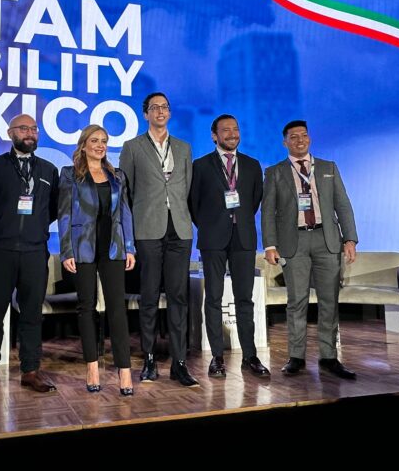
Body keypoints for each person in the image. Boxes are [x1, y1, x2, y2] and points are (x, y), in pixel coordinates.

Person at [0, 114, 60, 401]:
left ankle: (31, 370)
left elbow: (53, 208)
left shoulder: (48, 169)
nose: (30, 133)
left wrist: (34, 230)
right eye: (24, 128)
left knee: (32, 314)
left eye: (34, 129)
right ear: (10, 133)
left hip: (35, 251)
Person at [261, 120, 358, 379]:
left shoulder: (328, 168)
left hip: (327, 240)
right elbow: (268, 212)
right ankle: (296, 356)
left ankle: (329, 357)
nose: (300, 140)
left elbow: (343, 205)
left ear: (310, 138)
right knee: (297, 302)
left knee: (329, 301)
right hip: (294, 243)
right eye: (294, 137)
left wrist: (350, 239)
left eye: (304, 135)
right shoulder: (275, 172)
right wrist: (270, 245)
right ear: (285, 142)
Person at [119, 92, 198, 387]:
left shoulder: (184, 148)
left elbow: (185, 189)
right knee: (149, 296)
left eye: (165, 107)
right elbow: (125, 194)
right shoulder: (132, 147)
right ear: (145, 114)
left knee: (179, 297)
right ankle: (149, 359)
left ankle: (179, 363)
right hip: (147, 230)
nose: (161, 111)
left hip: (180, 230)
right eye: (155, 108)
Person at [188, 114, 270, 379]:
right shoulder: (200, 166)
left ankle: (250, 356)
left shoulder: (252, 165)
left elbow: (255, 201)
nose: (232, 133)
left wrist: (237, 221)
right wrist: (212, 224)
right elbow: (193, 204)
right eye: (225, 130)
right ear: (214, 135)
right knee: (212, 298)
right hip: (212, 239)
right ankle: (217, 358)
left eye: (235, 129)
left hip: (244, 238)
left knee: (245, 299)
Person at [58, 125, 137, 396]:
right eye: (94, 140)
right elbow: (65, 215)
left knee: (117, 308)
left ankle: (124, 371)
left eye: (104, 141)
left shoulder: (117, 176)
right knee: (87, 308)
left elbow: (125, 212)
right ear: (84, 144)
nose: (100, 145)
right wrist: (66, 251)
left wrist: (129, 247)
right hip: (83, 248)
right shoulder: (69, 175)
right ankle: (92, 366)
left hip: (113, 247)